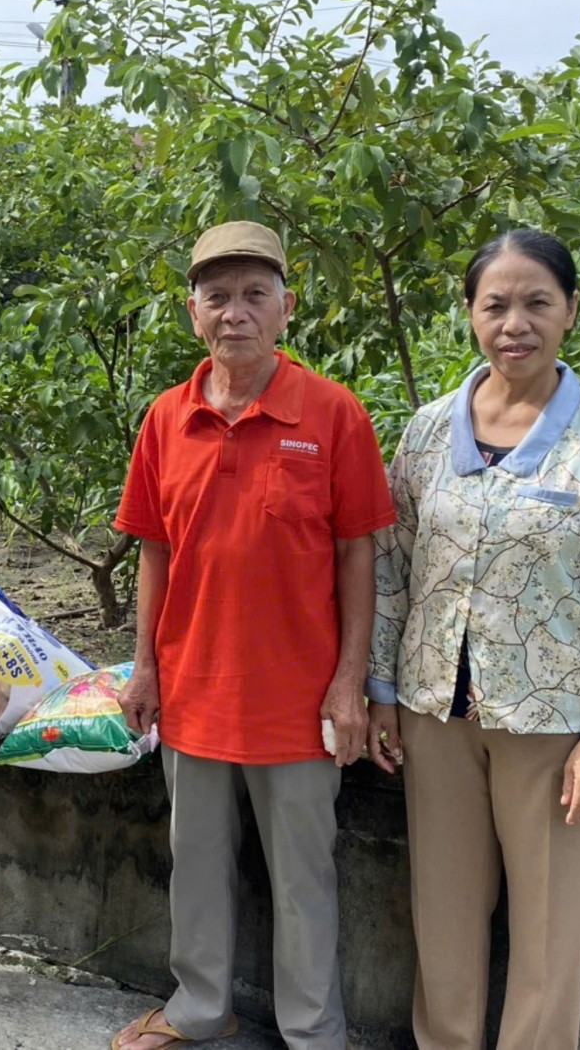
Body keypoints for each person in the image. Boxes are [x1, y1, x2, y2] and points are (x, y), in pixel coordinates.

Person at [366, 229, 580, 1050]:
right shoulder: (428, 432)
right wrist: (383, 694)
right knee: (445, 913)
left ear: (571, 311)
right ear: (469, 313)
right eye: (495, 304)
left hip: (553, 725)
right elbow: (391, 570)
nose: (515, 323)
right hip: (437, 717)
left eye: (537, 302)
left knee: (547, 934)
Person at [112, 221, 396, 1050]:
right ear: (193, 312)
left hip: (299, 695)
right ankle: (200, 1007)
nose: (235, 312)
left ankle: (314, 1031)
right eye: (217, 296)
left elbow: (357, 556)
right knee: (195, 865)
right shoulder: (168, 418)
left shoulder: (333, 413)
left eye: (253, 295)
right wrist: (144, 668)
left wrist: (350, 683)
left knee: (304, 874)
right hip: (194, 684)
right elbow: (154, 552)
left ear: (286, 309)